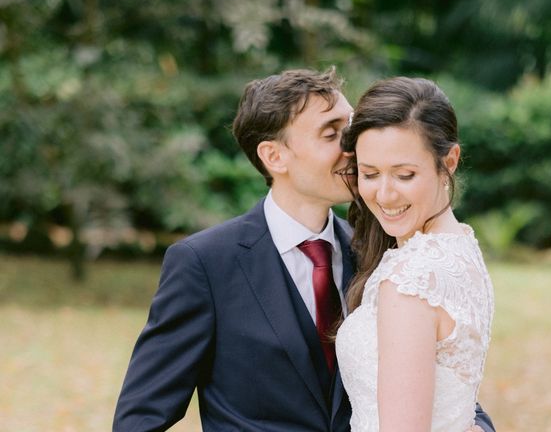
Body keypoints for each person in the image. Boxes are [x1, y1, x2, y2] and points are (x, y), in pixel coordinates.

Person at [113, 67, 494, 431]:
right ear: (274, 156)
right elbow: (139, 420)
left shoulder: (378, 252)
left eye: (351, 128)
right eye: (333, 134)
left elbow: (439, 375)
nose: (353, 146)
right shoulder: (205, 265)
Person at [335, 77, 495, 432]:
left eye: (404, 175)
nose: (385, 195)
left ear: (449, 161)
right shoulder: (461, 248)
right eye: (369, 174)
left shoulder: (411, 281)